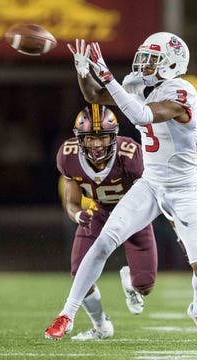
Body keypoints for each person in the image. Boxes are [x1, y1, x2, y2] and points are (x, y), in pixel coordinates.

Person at [45, 34, 197, 345]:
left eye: (153, 58)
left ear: (172, 62)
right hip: (150, 184)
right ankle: (66, 314)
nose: (145, 63)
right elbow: (96, 97)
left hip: (182, 188)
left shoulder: (183, 91)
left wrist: (110, 77)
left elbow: (143, 115)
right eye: (145, 56)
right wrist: (83, 71)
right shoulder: (139, 84)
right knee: (102, 243)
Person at [56, 104, 158, 340]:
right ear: (80, 138)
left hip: (133, 213)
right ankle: (101, 325)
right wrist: (78, 215)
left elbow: (150, 190)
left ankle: (130, 279)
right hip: (99, 211)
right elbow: (71, 202)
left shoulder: (130, 154)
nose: (97, 144)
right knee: (79, 271)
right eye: (90, 137)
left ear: (114, 136)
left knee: (145, 286)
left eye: (102, 137)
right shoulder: (68, 155)